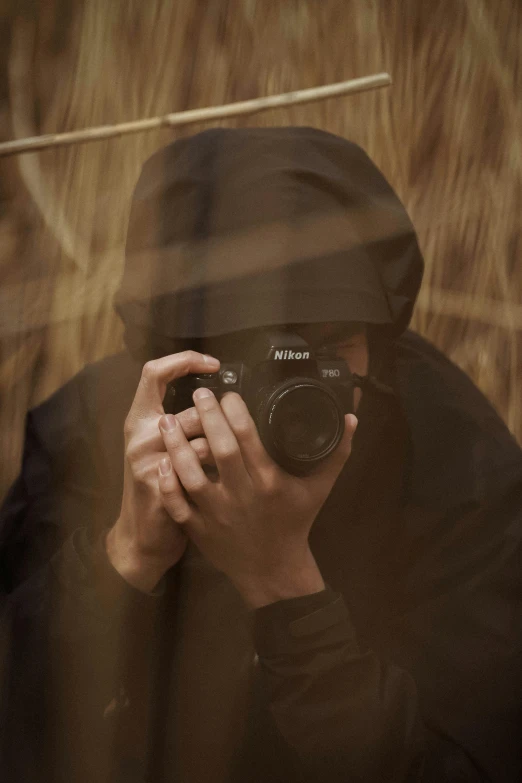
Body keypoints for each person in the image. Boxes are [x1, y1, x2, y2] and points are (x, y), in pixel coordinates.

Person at [1, 127, 521, 783]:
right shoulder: (98, 432)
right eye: (254, 349)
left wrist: (284, 584)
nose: (295, 381)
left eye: (332, 345)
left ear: (381, 336)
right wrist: (126, 555)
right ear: (179, 350)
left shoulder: (449, 449)